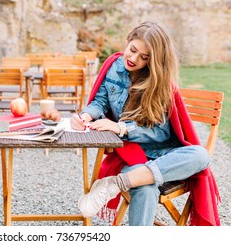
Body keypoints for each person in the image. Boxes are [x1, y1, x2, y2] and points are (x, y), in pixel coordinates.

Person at [71, 21, 220, 226]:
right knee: (145, 186)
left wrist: (122, 128)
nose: (133, 59)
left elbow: (161, 133)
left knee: (201, 155)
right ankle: (133, 180)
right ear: (128, 41)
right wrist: (86, 115)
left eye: (144, 57)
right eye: (132, 50)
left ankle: (117, 182)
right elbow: (100, 101)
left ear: (153, 61)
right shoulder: (113, 67)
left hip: (164, 154)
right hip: (133, 154)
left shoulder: (159, 82)